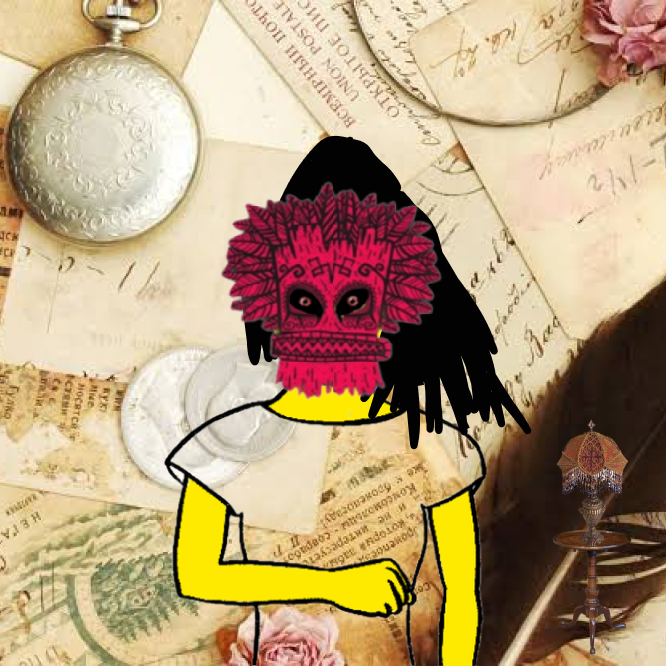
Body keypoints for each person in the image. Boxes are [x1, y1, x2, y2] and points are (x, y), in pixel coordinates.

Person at [165, 136, 531, 665]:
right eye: (304, 300)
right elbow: (198, 573)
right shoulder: (231, 432)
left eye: (356, 301)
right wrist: (334, 584)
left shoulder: (428, 444)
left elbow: (461, 597)